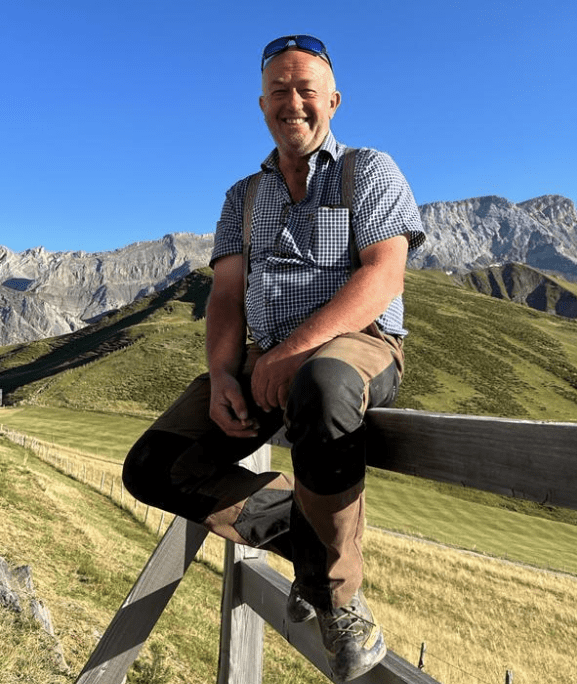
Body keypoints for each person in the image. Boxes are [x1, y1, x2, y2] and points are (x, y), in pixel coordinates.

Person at [123, 34, 425, 682]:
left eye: (306, 89)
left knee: (322, 383)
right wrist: (222, 375)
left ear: (333, 101)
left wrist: (292, 351)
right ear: (261, 104)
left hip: (359, 346)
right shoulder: (243, 197)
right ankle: (316, 543)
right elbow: (226, 294)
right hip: (262, 359)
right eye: (279, 91)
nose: (293, 102)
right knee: (154, 467)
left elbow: (383, 275)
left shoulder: (368, 170)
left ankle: (339, 602)